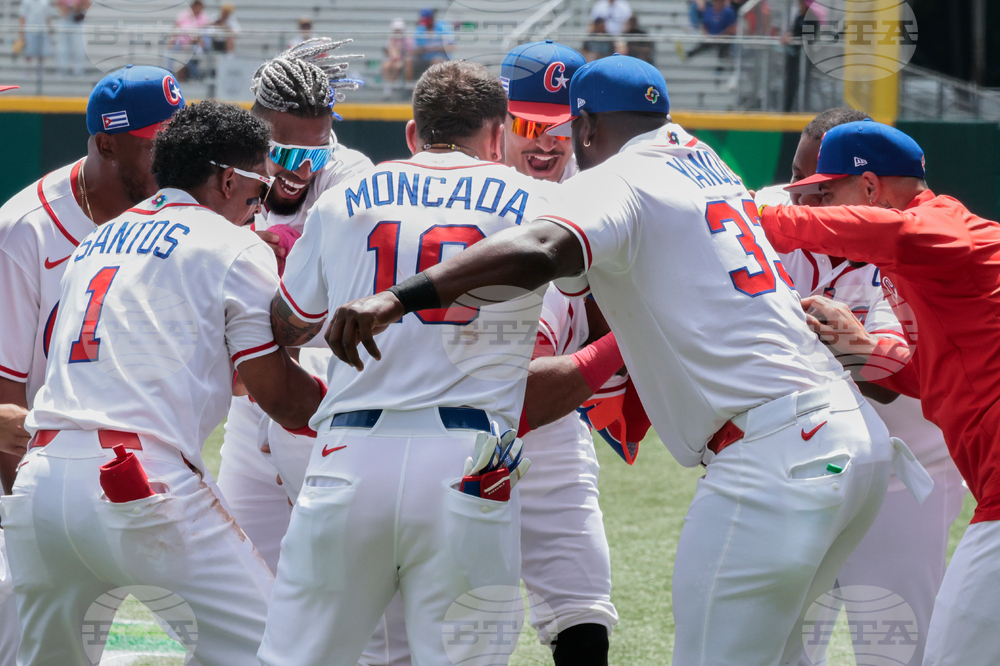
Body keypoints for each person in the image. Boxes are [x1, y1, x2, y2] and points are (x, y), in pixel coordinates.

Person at [325, 55, 929, 666]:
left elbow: (541, 248)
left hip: (775, 450)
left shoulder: (618, 178)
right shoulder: (704, 160)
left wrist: (398, 296)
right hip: (848, 440)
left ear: (586, 129)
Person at [2, 99, 326, 666]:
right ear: (228, 178)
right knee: (283, 652)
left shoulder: (95, 242)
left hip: (40, 486)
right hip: (137, 483)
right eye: (257, 193)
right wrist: (360, 406)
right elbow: (276, 395)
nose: (259, 208)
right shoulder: (234, 245)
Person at [257, 60, 550, 666]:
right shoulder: (537, 201)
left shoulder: (341, 199)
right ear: (498, 135)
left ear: (414, 132)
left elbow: (290, 323)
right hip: (470, 454)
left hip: (348, 452)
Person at [758, 120, 1000, 666]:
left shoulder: (934, 225)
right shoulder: (921, 255)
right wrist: (864, 350)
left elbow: (896, 235)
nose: (819, 202)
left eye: (829, 190)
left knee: (942, 654)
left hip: (963, 482)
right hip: (985, 478)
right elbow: (930, 374)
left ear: (869, 189)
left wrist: (752, 218)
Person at [217, 37, 371, 575]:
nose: (301, 168)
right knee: (241, 572)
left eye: (315, 153)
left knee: (334, 572)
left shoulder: (351, 175)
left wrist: (262, 249)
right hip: (251, 395)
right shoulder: (226, 171)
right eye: (285, 153)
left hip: (323, 390)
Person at [406, 8, 453, 82]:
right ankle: (408, 87)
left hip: (440, 56)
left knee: (436, 61)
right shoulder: (420, 29)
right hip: (423, 57)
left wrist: (435, 48)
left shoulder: (443, 28)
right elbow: (416, 48)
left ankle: (435, 86)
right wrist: (422, 50)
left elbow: (451, 47)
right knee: (408, 60)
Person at [172, 0, 211, 81]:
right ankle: (178, 77)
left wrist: (188, 44)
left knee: (189, 54)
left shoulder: (204, 17)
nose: (197, 8)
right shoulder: (184, 14)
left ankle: (195, 76)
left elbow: (200, 36)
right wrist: (172, 41)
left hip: (196, 44)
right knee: (174, 52)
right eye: (195, 6)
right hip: (181, 44)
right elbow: (176, 27)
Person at [55, 0, 88, 76]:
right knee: (63, 46)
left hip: (77, 21)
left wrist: (78, 8)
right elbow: (58, 4)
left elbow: (87, 4)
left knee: (79, 47)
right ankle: (62, 68)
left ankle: (79, 69)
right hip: (66, 19)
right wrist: (65, 9)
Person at [17, 0, 54, 67]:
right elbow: (23, 17)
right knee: (28, 53)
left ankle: (40, 71)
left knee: (42, 54)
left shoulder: (45, 2)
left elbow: (48, 17)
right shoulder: (26, 2)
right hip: (30, 30)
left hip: (42, 30)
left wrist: (49, 31)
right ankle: (27, 72)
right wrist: (22, 33)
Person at [382, 18, 410, 92]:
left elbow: (409, 52)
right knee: (386, 66)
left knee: (396, 67)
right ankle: (388, 86)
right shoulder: (391, 39)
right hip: (392, 59)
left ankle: (393, 85)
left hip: (402, 60)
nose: (397, 32)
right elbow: (388, 50)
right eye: (396, 30)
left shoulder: (406, 39)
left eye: (399, 30)